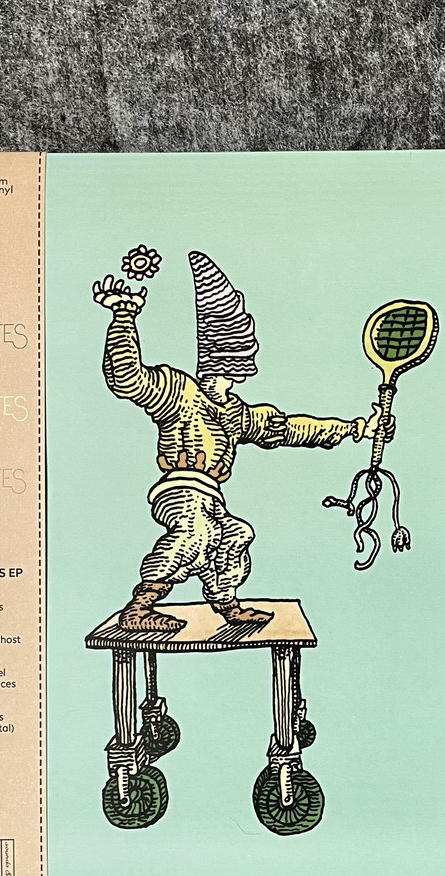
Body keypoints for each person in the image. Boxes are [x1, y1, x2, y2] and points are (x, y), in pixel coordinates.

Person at [93, 252, 388, 631]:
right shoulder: (178, 392)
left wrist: (359, 428)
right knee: (196, 533)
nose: (231, 368)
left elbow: (292, 429)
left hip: (210, 495)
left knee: (235, 534)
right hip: (180, 488)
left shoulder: (237, 413)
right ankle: (140, 606)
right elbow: (126, 378)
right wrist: (123, 318)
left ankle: (226, 604)